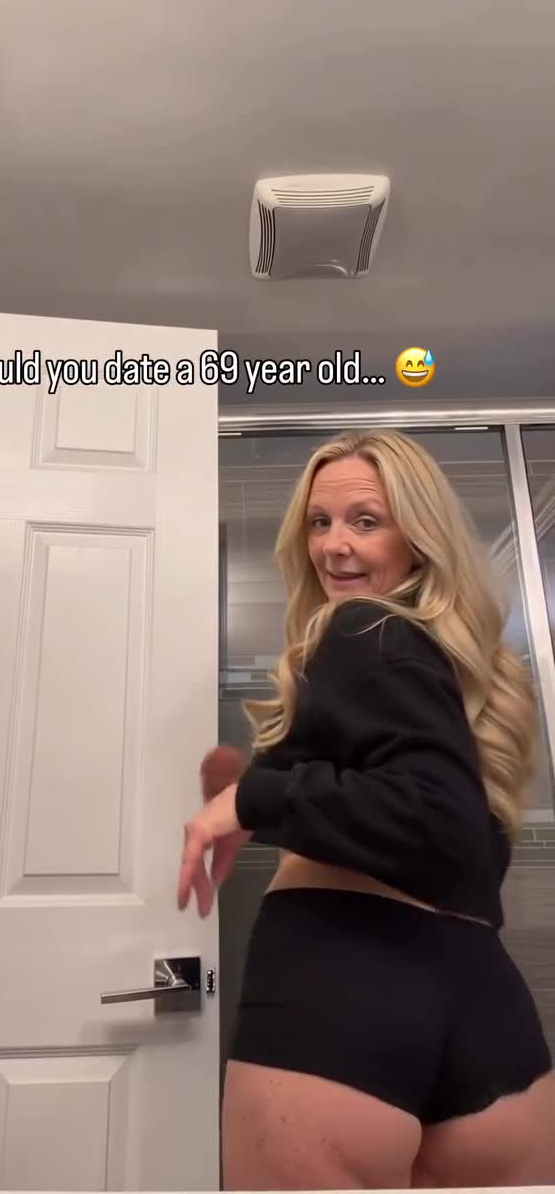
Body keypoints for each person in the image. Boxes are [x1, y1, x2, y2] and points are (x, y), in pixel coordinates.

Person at [177, 428, 555, 1190]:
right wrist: (260, 794)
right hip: (485, 1011)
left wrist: (252, 798)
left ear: (419, 538)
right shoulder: (461, 669)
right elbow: (453, 845)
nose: (333, 546)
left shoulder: (363, 628)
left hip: (343, 985)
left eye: (366, 521)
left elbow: (430, 817)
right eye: (319, 523)